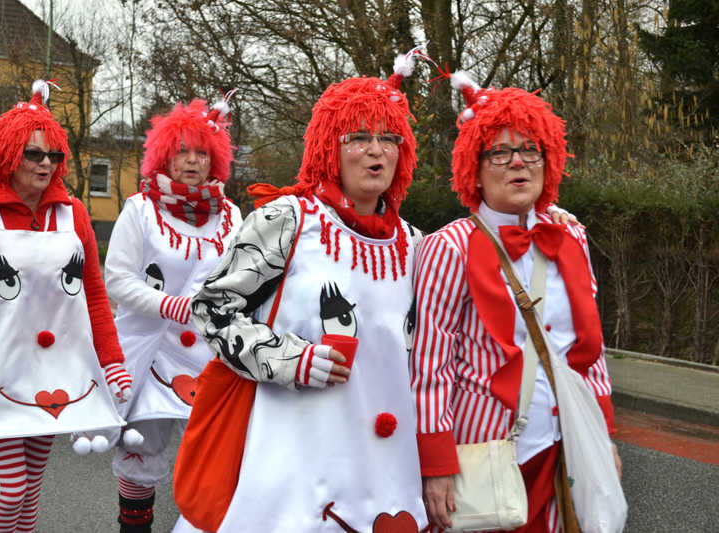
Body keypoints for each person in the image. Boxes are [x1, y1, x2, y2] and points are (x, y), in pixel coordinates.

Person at [184, 49, 429, 533]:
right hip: (294, 457)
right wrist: (288, 358)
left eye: (388, 138)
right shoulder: (288, 220)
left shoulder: (416, 244)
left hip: (387, 467)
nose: (376, 150)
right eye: (359, 137)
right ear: (328, 148)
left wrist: (546, 217)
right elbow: (212, 309)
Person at [0, 80, 131, 533]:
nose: (46, 163)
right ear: (6, 155)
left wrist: (112, 362)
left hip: (52, 374)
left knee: (31, 489)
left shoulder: (74, 215)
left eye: (53, 154)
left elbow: (94, 296)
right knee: (10, 488)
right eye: (33, 154)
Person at [412, 72, 620, 532]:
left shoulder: (570, 236)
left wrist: (602, 437)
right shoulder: (449, 247)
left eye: (530, 150)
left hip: (565, 448)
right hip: (486, 454)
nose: (518, 162)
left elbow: (589, 352)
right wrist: (436, 463)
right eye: (500, 153)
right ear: (474, 169)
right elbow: (430, 367)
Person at [102, 96, 241, 533]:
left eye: (202, 152)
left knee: (216, 463)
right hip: (150, 353)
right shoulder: (140, 210)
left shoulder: (232, 215)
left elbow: (244, 280)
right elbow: (117, 280)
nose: (193, 161)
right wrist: (173, 306)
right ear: (164, 155)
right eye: (183, 151)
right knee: (141, 459)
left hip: (210, 357)